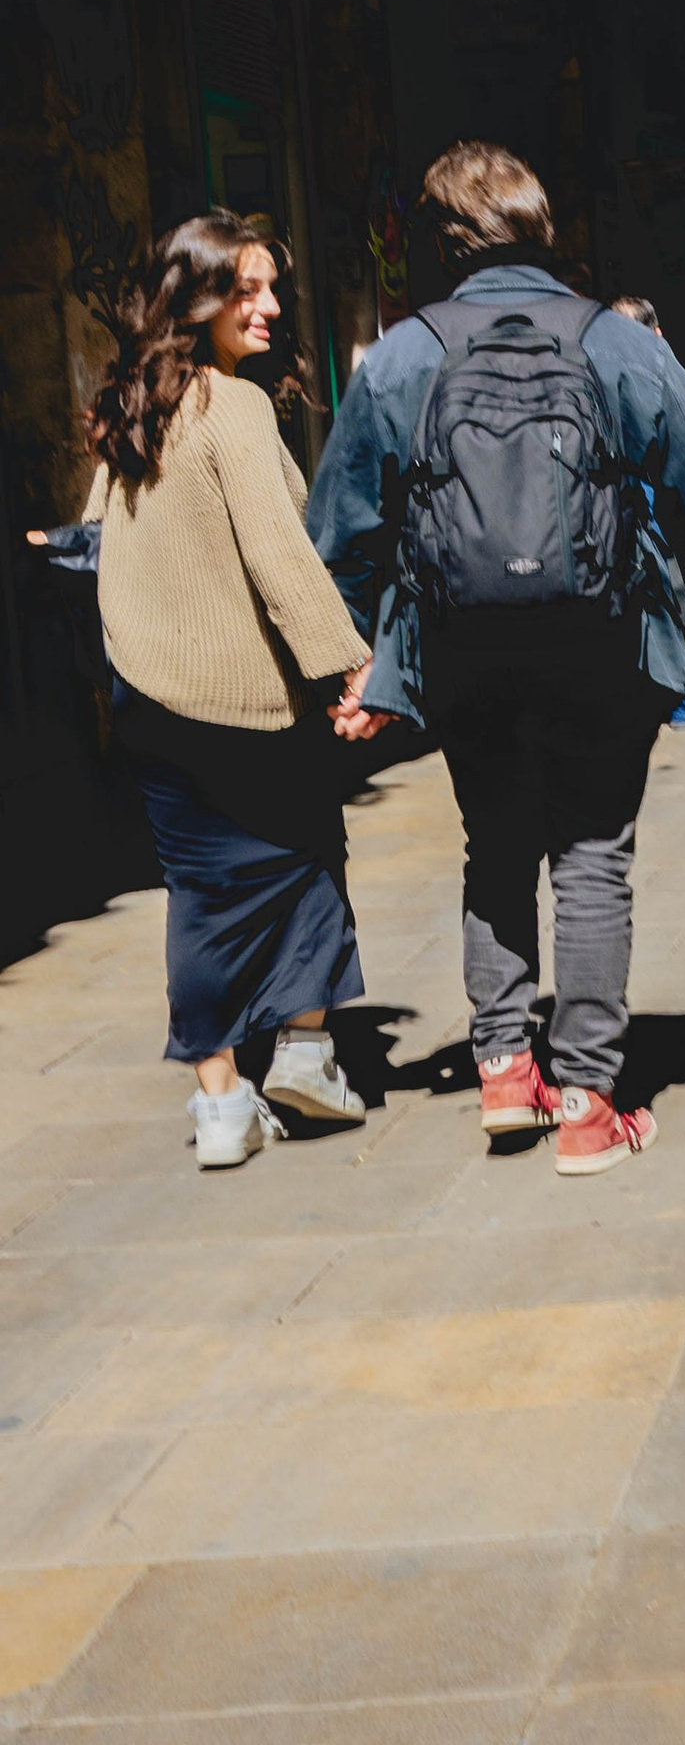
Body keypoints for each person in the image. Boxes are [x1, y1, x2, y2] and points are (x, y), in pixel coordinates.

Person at [307, 143, 685, 1174]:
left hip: (462, 650)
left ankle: (505, 1068)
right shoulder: (611, 340)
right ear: (544, 229)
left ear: (441, 242)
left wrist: (362, 660)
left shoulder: (405, 355)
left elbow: (343, 528)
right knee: (593, 855)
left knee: (495, 845)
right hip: (601, 641)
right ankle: (590, 1101)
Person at [40, 215, 382, 1171]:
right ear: (196, 299)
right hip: (247, 703)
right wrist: (348, 664)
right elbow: (279, 558)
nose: (268, 305)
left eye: (272, 287)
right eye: (246, 289)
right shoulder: (231, 408)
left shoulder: (131, 402)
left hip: (150, 698)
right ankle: (308, 1055)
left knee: (198, 895)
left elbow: (97, 534)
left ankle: (222, 1107)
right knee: (311, 856)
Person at [616, 296, 685, 729]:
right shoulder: (674, 380)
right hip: (662, 516)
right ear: (658, 333)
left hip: (622, 518)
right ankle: (683, 700)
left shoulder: (594, 374)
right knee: (680, 603)